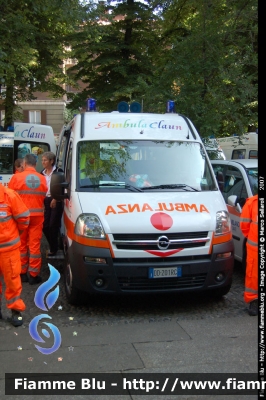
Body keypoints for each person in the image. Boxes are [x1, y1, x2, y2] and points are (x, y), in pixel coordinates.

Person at [8, 154, 47, 285]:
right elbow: (44, 196)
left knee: (21, 245)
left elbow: (9, 197)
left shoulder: (16, 177)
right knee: (35, 245)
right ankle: (34, 275)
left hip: (20, 217)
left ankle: (22, 273)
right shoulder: (42, 179)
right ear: (35, 164)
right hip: (37, 217)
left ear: (24, 164)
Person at [0, 183, 30, 326]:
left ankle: (16, 311)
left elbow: (24, 220)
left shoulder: (10, 196)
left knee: (12, 281)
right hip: (8, 248)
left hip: (8, 250)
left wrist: (15, 235)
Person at [41, 152, 63, 257]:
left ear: (51, 161)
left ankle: (54, 249)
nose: (43, 162)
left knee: (53, 225)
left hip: (56, 200)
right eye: (42, 160)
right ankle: (54, 244)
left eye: (45, 160)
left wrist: (55, 198)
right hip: (45, 200)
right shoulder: (42, 173)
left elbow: (62, 187)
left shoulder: (58, 172)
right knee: (45, 226)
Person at [240, 194, 258, 316]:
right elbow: (244, 226)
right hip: (255, 248)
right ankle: (254, 300)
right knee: (253, 276)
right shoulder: (252, 203)